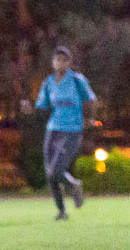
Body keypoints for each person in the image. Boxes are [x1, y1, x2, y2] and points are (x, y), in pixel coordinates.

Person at [32, 46, 97, 220]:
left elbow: (91, 100)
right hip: (53, 129)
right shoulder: (48, 83)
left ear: (69, 63)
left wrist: (90, 119)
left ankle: (74, 185)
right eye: (57, 59)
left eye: (64, 60)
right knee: (50, 173)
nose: (60, 63)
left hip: (72, 130)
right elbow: (42, 105)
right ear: (52, 62)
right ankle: (61, 211)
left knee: (56, 170)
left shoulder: (77, 80)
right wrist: (29, 108)